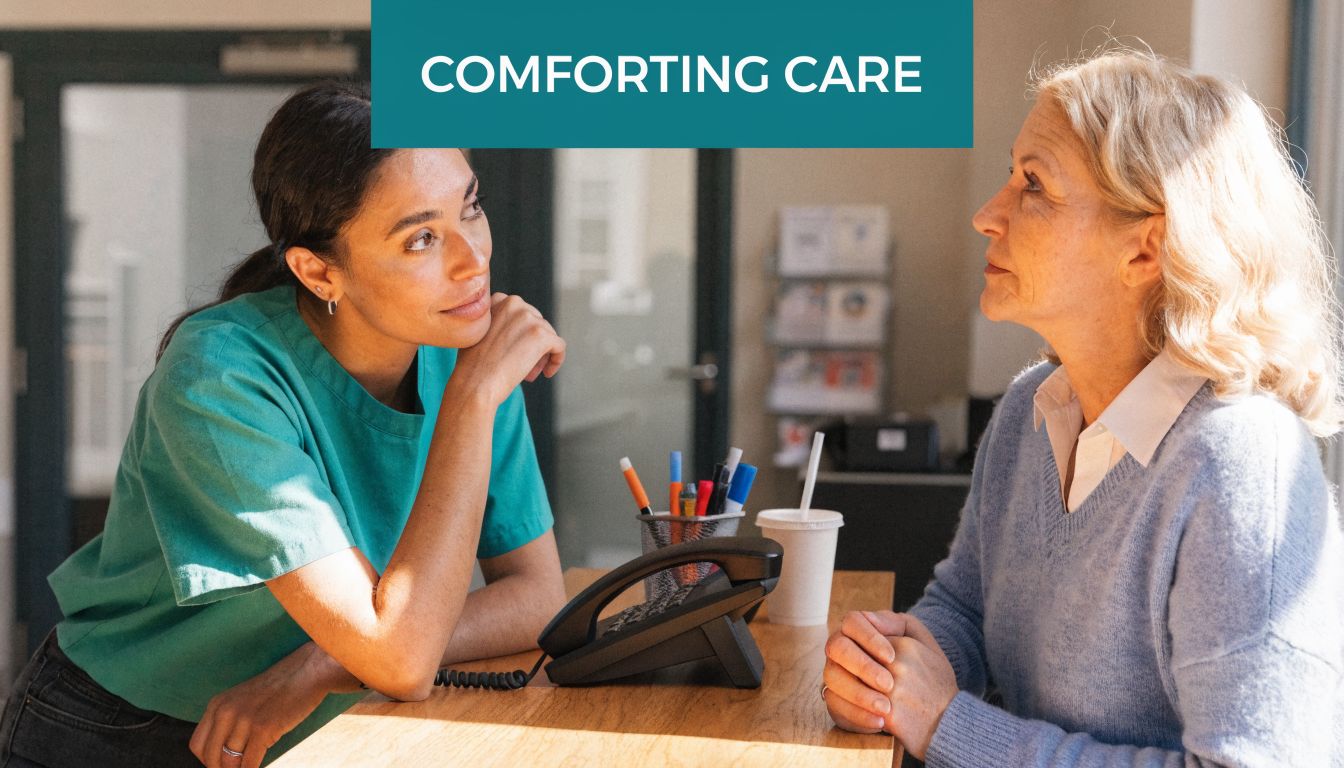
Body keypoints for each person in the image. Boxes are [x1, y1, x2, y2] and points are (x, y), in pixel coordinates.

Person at [0, 81, 569, 768]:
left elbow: (538, 598)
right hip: (119, 733)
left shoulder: (465, 349)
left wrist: (317, 667)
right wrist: (473, 403)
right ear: (318, 271)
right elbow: (401, 658)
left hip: (314, 726)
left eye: (469, 208)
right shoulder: (218, 376)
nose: (471, 259)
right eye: (420, 238)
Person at [823, 49, 1344, 766]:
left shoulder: (1242, 465)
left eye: (1032, 184)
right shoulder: (1027, 413)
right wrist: (891, 669)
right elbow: (967, 609)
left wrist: (949, 725)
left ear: (1146, 248)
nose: (986, 216)